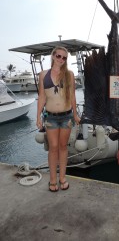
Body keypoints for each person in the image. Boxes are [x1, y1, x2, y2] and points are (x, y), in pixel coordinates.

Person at [36, 46, 80, 192]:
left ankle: (62, 178)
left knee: (63, 147)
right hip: (51, 117)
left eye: (64, 58)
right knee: (53, 148)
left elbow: (72, 95)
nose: (61, 59)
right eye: (59, 56)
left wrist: (75, 114)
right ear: (53, 56)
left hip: (67, 116)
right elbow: (42, 96)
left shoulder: (69, 75)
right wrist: (38, 117)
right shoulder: (43, 75)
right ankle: (53, 180)